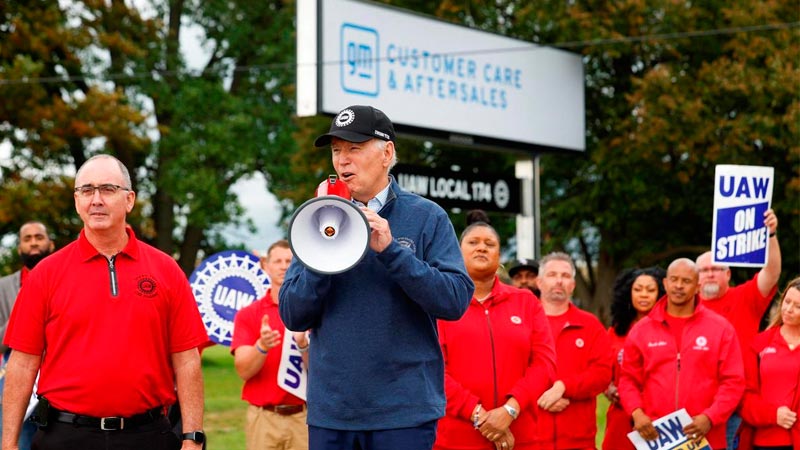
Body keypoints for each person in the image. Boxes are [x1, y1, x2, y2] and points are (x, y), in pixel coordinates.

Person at [279, 105, 474, 450]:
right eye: (337, 151)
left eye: (354, 148)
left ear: (387, 153)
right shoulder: (316, 217)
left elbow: (455, 300)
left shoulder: (427, 217)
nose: (342, 161)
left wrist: (392, 252)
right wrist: (324, 251)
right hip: (332, 414)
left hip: (403, 414)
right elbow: (293, 313)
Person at [2, 154, 209, 450]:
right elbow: (22, 364)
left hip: (147, 435)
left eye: (108, 189)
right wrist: (8, 443)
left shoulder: (166, 270)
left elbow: (188, 360)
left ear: (129, 199)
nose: (96, 199)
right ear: (77, 201)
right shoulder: (45, 274)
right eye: (86, 190)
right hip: (65, 436)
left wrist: (193, 437)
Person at [434, 221, 556, 450]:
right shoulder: (440, 304)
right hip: (455, 439)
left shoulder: (527, 303)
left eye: (489, 244)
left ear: (499, 256)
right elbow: (433, 369)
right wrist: (478, 415)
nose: (481, 247)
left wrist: (510, 410)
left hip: (521, 437)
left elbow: (544, 363)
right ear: (458, 253)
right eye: (473, 242)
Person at [619, 258, 745, 449]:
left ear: (697, 287)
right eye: (674, 279)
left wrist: (710, 417)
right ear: (665, 283)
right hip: (657, 436)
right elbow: (628, 379)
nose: (678, 286)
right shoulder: (641, 330)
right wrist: (637, 413)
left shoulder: (720, 329)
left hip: (705, 437)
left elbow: (733, 382)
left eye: (686, 281)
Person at [697, 208, 781, 449]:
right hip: (693, 403)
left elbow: (772, 272)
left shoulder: (745, 297)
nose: (710, 274)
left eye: (715, 269)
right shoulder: (684, 307)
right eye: (703, 270)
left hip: (735, 403)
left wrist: (771, 235)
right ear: (695, 277)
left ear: (728, 273)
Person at [232, 239, 308, 450]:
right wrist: (262, 347)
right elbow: (243, 370)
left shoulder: (312, 310)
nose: (284, 266)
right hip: (264, 417)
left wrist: (303, 346)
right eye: (277, 261)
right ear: (265, 265)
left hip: (304, 417)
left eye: (290, 261)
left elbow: (323, 370)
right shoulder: (249, 314)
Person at [532, 251, 613, 449]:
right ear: (539, 282)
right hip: (530, 439)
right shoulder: (522, 323)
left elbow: (602, 373)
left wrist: (564, 387)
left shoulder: (590, 326)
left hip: (578, 441)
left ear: (573, 286)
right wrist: (542, 396)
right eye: (552, 275)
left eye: (566, 276)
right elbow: (508, 372)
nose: (559, 281)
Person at [0, 221, 55, 450]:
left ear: (51, 245)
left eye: (39, 237)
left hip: (55, 380)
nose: (33, 242)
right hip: (16, 379)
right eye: (27, 238)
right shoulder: (4, 287)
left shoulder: (64, 282)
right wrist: (26, 311)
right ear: (20, 247)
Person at [601, 266, 665, 450]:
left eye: (650, 290)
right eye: (637, 289)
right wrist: (608, 388)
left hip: (659, 416)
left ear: (661, 293)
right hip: (622, 416)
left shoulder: (669, 329)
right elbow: (603, 369)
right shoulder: (615, 332)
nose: (643, 295)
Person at [738, 276, 800, 450]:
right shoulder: (760, 343)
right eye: (787, 301)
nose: (788, 309)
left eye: (798, 306)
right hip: (766, 440)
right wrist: (773, 415)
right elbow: (744, 396)